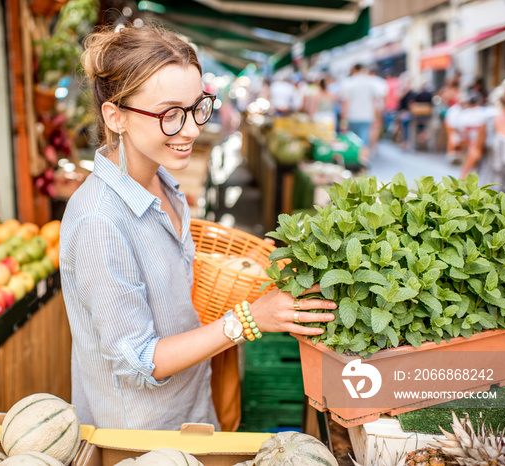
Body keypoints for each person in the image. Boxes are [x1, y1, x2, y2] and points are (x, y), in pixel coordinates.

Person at [59, 24, 337, 431]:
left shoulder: (162, 183)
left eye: (196, 108)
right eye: (170, 114)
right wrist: (248, 319)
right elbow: (140, 361)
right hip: (140, 442)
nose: (191, 129)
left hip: (191, 413)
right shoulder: (98, 221)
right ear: (115, 116)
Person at [461, 75, 505, 194]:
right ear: (504, 94)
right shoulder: (490, 121)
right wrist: (463, 177)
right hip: (490, 188)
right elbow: (476, 150)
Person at [340, 64, 383, 164]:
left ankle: (355, 163)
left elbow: (345, 103)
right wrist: (377, 117)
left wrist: (343, 119)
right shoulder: (370, 83)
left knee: (353, 142)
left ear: (354, 70)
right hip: (367, 116)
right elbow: (375, 102)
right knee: (364, 142)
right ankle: (363, 165)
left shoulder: (349, 83)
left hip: (352, 116)